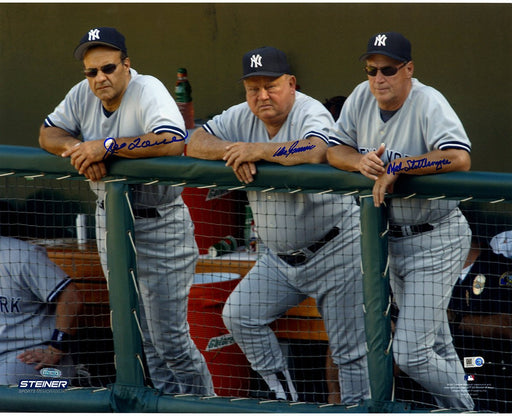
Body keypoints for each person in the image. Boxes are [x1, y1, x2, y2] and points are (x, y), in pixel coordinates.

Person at [187, 46, 369, 403]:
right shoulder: (243, 115)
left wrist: (257, 151)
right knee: (240, 316)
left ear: (291, 83)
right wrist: (232, 152)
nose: (262, 95)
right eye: (253, 88)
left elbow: (316, 149)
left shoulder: (309, 110)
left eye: (270, 86)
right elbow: (193, 140)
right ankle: (287, 402)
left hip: (335, 249)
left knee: (351, 354)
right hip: (279, 261)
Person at [38, 27, 214, 395]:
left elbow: (171, 140)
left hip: (159, 222)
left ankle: (204, 405)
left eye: (108, 68)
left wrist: (107, 147)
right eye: (92, 72)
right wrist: (80, 149)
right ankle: (170, 403)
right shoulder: (82, 94)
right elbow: (48, 134)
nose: (100, 78)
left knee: (170, 340)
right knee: (138, 338)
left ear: (126, 65)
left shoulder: (147, 89)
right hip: (111, 221)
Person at [327, 31, 474, 410]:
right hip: (389, 240)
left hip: (435, 237)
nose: (378, 78)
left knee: (410, 352)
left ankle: (467, 410)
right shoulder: (362, 96)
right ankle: (459, 410)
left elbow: (459, 157)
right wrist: (357, 161)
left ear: (408, 69)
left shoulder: (428, 102)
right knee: (437, 343)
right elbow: (333, 148)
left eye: (388, 70)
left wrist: (402, 166)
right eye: (371, 69)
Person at [0, 203, 81, 385]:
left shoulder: (20, 255)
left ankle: (75, 378)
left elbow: (71, 297)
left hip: (39, 361)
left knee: (6, 387)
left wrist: (56, 349)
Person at [449, 230, 512, 412]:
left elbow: (507, 325)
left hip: (495, 378)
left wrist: (457, 319)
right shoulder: (435, 274)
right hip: (452, 377)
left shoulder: (498, 269)